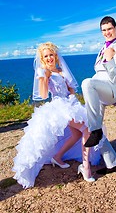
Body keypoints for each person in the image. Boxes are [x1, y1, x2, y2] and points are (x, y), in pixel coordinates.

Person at [12, 42, 101, 188]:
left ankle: (57, 157)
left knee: (78, 134)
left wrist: (72, 97)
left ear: (56, 55)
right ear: (42, 58)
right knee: (87, 130)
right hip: (59, 107)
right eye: (46, 56)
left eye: (51, 55)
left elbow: (71, 89)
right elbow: (43, 94)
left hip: (71, 104)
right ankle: (86, 168)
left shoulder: (61, 70)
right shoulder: (45, 72)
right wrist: (43, 78)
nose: (49, 58)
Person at [81, 16, 116, 175]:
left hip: (113, 90)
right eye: (104, 30)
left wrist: (109, 60)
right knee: (95, 126)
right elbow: (98, 71)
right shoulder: (104, 47)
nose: (107, 32)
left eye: (109, 29)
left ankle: (96, 131)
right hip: (100, 90)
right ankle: (113, 164)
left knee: (87, 83)